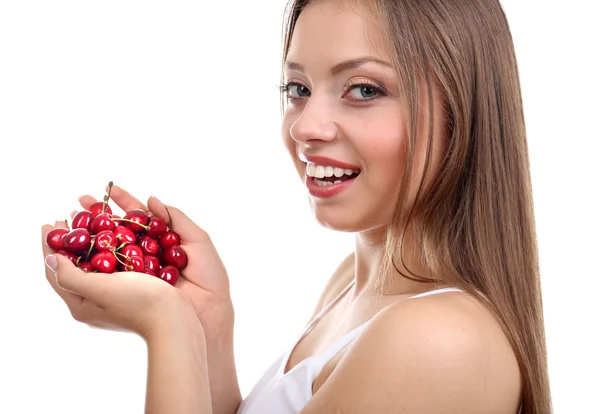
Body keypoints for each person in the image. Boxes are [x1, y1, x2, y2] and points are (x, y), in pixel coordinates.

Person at [41, 0, 553, 413]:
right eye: (299, 89)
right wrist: (207, 326)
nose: (306, 126)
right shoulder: (353, 286)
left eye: (364, 89)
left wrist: (166, 328)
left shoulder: (439, 342)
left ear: (462, 110)